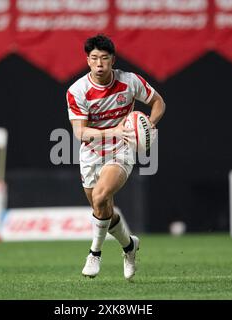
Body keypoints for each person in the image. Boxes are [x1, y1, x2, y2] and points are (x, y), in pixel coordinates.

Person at [66, 34, 166, 280]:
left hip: (121, 150)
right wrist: (114, 130)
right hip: (90, 153)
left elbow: (158, 102)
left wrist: (148, 126)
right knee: (102, 209)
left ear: (113, 60)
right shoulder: (78, 90)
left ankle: (94, 253)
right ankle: (130, 247)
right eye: (94, 59)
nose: (99, 64)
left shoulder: (129, 82)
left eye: (104, 58)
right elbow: (80, 132)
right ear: (87, 61)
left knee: (101, 196)